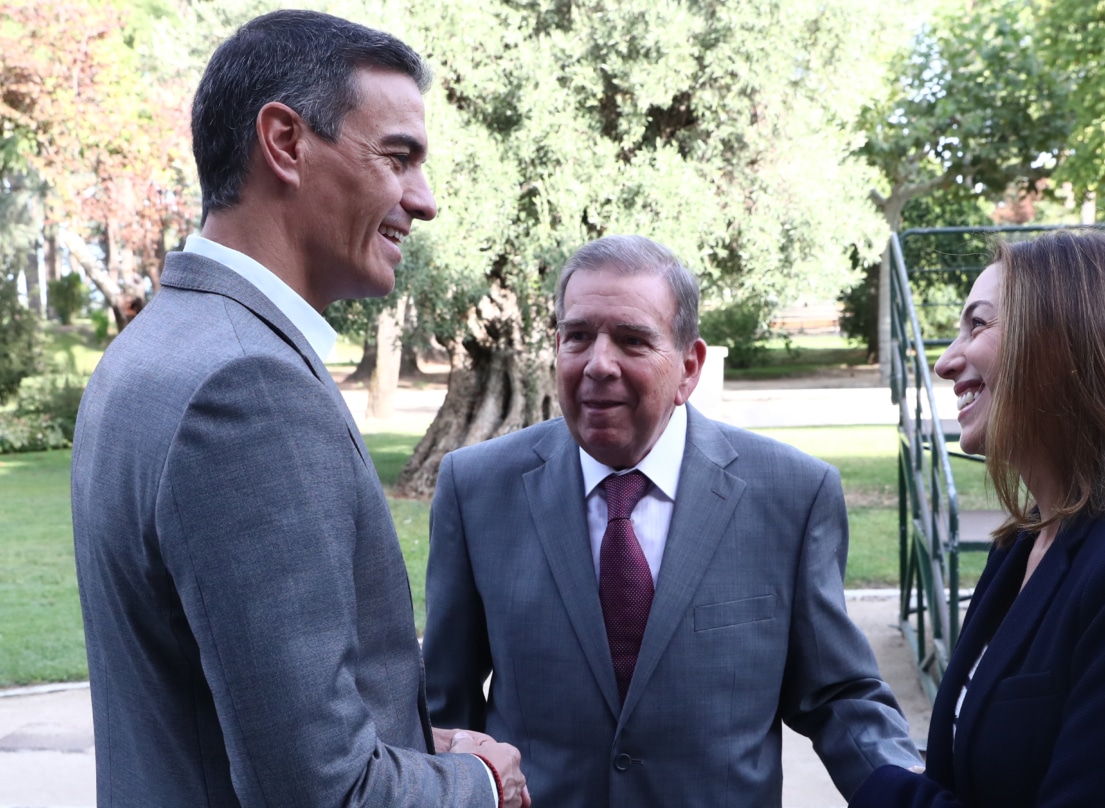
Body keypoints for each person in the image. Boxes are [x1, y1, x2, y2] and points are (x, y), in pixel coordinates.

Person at [71, 11, 525, 807]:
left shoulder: (149, 350)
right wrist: (479, 782)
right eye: (398, 157)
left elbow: (223, 715)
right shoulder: (249, 389)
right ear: (284, 142)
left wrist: (417, 743)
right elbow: (321, 791)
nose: (423, 201)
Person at [422, 234, 923, 807]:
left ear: (689, 367)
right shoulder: (476, 488)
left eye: (633, 341)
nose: (598, 364)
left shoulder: (792, 494)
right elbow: (444, 704)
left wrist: (909, 795)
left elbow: (836, 696)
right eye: (578, 336)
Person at [850, 230, 1105, 807]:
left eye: (978, 325)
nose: (944, 362)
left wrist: (881, 787)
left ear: (1067, 345)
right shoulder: (1025, 542)